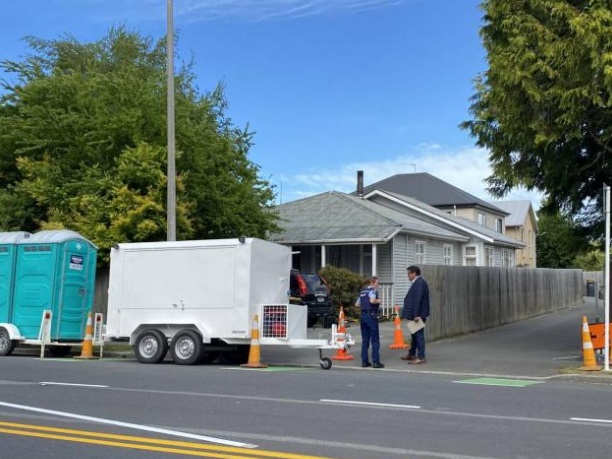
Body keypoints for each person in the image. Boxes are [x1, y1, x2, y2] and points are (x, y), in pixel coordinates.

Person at [401, 265, 430, 364]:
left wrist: (416, 314)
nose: (407, 276)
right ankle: (412, 353)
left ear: (414, 273)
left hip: (418, 314)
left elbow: (418, 299)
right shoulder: (417, 282)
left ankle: (421, 357)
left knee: (419, 335)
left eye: (408, 273)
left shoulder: (419, 283)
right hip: (416, 314)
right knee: (414, 335)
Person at [356, 276, 384, 368]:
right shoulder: (372, 291)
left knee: (365, 340)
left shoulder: (362, 292)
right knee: (375, 340)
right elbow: (372, 301)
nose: (378, 285)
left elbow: (357, 304)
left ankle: (364, 361)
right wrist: (379, 300)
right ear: (372, 283)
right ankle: (376, 362)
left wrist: (364, 306)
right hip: (371, 316)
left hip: (363, 316)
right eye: (377, 283)